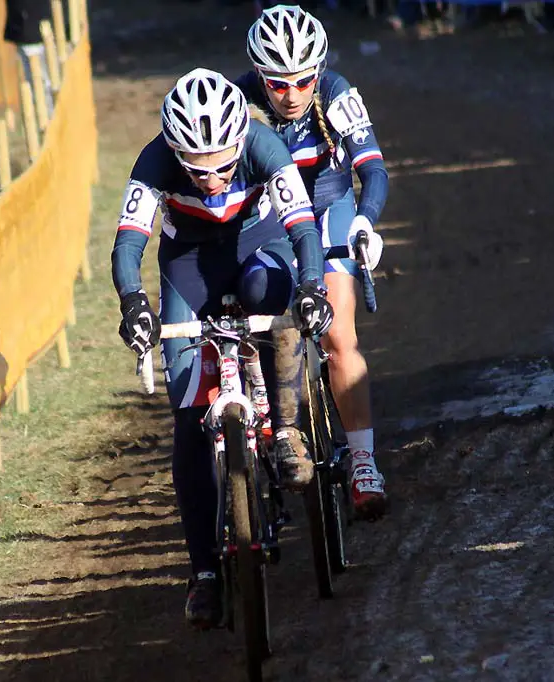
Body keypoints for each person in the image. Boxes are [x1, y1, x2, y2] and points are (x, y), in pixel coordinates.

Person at [110, 68, 333, 628]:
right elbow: (127, 245)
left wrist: (311, 287)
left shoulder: (263, 143)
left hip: (259, 247)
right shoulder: (153, 161)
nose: (209, 180)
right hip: (189, 268)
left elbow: (303, 228)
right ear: (173, 149)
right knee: (186, 417)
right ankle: (204, 572)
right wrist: (133, 302)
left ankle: (283, 428)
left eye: (221, 166)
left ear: (240, 143)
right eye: (195, 166)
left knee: (269, 294)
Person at [237, 5, 389, 521]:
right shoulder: (239, 102)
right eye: (278, 84)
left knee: (337, 334)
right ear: (259, 76)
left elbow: (374, 170)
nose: (292, 95)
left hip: (327, 210)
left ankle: (364, 460)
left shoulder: (336, 91)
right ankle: (265, 407)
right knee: (261, 313)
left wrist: (365, 221)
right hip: (272, 219)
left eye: (303, 81)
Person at [4, 0, 56, 118]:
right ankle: (47, 119)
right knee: (37, 82)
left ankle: (50, 119)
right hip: (29, 27)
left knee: (44, 82)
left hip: (39, 26)